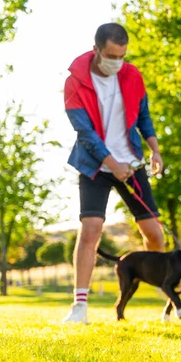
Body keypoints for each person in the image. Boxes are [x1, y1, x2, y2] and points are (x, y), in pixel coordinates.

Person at [63, 23, 165, 324]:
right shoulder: (75, 83)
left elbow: (143, 115)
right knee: (91, 229)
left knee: (154, 235)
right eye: (111, 56)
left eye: (121, 56)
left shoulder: (132, 75)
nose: (117, 62)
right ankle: (79, 306)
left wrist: (155, 149)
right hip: (94, 165)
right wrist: (111, 163)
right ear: (96, 50)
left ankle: (161, 287)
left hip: (131, 162)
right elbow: (85, 133)